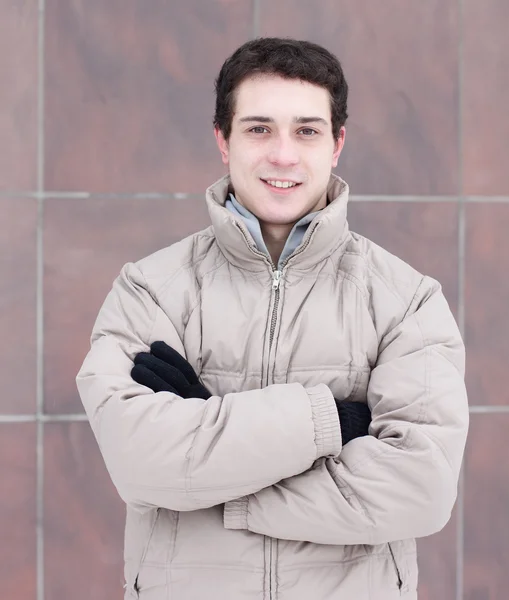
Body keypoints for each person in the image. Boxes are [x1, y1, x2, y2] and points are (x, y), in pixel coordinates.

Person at [76, 37, 469, 600]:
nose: (283, 155)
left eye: (306, 130)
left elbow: (421, 490)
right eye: (259, 128)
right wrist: (327, 423)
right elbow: (141, 466)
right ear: (223, 140)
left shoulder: (407, 300)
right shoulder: (150, 289)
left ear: (337, 144)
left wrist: (214, 473)